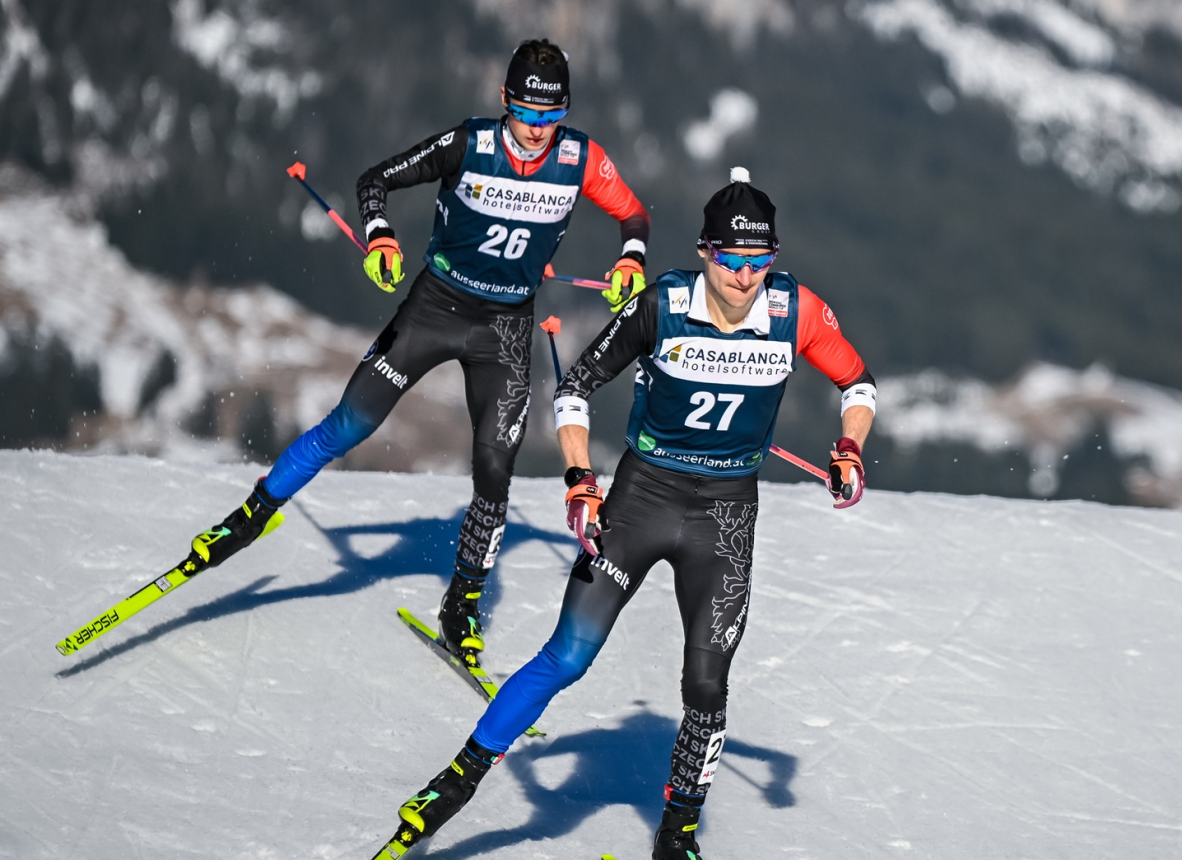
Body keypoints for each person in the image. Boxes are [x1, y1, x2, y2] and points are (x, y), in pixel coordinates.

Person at [366, 168, 877, 860]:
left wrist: (849, 447)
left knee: (706, 684)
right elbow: (574, 389)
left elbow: (858, 382)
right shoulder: (663, 305)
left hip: (725, 518)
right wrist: (579, 479)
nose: (746, 277)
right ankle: (453, 783)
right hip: (640, 502)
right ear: (705, 252)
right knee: (567, 655)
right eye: (732, 261)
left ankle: (678, 834)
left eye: (761, 262)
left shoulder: (797, 312)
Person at [182, 38, 652, 668]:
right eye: (527, 114)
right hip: (435, 310)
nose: (539, 130)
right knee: (349, 424)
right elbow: (374, 180)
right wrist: (379, 238)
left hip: (506, 329)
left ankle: (461, 607)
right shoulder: (471, 143)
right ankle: (248, 518)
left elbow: (634, 214)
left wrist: (631, 257)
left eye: (552, 116)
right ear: (506, 102)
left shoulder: (582, 157)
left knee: (495, 468)